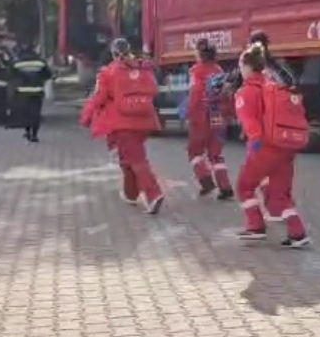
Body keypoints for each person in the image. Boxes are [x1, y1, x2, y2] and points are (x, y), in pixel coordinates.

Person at [233, 43, 311, 248]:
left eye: (241, 66)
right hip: (285, 146)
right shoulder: (274, 86)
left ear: (248, 67)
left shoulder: (245, 92)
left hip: (265, 148)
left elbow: (251, 125)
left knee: (244, 186)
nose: (240, 70)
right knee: (280, 194)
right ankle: (297, 233)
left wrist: (255, 148)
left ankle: (255, 226)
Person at [80, 38, 165, 214]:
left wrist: (86, 117)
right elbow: (154, 90)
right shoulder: (142, 68)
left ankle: (153, 194)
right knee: (127, 159)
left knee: (136, 160)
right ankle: (130, 194)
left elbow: (98, 97)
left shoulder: (108, 73)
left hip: (122, 124)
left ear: (113, 53)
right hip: (145, 120)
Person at [186, 38, 234, 199]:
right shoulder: (219, 70)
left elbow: (195, 94)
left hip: (202, 116)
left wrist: (190, 113)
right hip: (219, 115)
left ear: (199, 54)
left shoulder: (196, 70)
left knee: (195, 150)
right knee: (215, 153)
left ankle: (205, 180)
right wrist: (229, 114)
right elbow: (227, 94)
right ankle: (225, 186)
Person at [10, 45, 52, 143]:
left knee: (25, 114)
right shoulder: (40, 63)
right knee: (36, 114)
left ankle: (27, 132)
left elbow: (11, 76)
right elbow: (48, 75)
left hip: (22, 92)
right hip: (37, 92)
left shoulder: (17, 63)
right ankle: (35, 134)